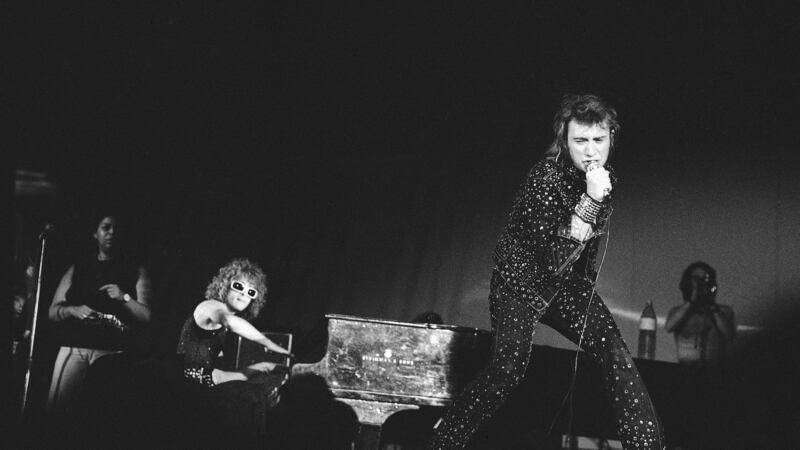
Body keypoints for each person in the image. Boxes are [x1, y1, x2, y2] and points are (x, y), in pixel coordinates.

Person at [428, 94, 665, 449]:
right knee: (508, 368)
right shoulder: (545, 178)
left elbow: (581, 256)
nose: (590, 151)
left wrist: (586, 299)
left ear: (611, 138)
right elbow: (553, 258)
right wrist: (590, 200)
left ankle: (647, 446)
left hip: (564, 285)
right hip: (520, 282)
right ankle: (443, 440)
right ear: (564, 142)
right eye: (580, 141)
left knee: (614, 351)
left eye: (598, 140)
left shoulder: (603, 178)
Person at [46, 214, 153, 412]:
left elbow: (147, 316)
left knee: (101, 415)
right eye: (106, 227)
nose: (111, 232)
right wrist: (72, 310)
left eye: (116, 229)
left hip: (112, 354)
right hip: (75, 350)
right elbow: (52, 312)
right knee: (58, 411)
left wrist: (124, 298)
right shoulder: (77, 268)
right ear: (95, 233)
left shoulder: (136, 270)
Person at [666, 262, 735, 364]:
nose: (700, 283)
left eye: (704, 279)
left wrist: (711, 305)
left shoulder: (724, 311)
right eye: (695, 279)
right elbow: (669, 326)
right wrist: (692, 300)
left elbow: (729, 335)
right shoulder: (678, 311)